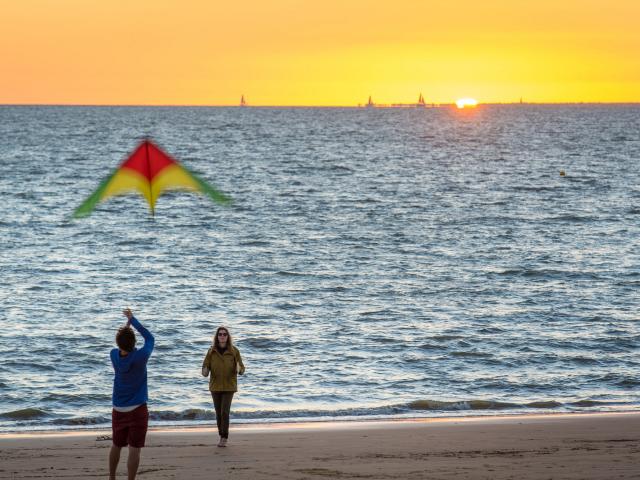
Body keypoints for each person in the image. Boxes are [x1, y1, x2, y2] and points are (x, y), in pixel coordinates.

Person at [109, 308, 154, 480]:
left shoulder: (114, 355)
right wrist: (133, 320)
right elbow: (150, 338)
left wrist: (126, 327)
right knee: (134, 449)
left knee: (116, 445)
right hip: (137, 409)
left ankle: (111, 477)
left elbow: (121, 345)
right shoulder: (141, 356)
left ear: (119, 343)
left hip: (118, 408)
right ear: (134, 342)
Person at [201, 326, 245, 447]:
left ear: (228, 337)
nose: (222, 336)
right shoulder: (211, 351)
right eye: (220, 334)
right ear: (217, 337)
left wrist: (239, 369)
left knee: (225, 412)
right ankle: (221, 433)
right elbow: (205, 367)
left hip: (229, 386)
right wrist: (205, 371)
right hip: (215, 386)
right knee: (218, 413)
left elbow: (242, 368)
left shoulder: (234, 351)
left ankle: (224, 437)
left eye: (224, 334)